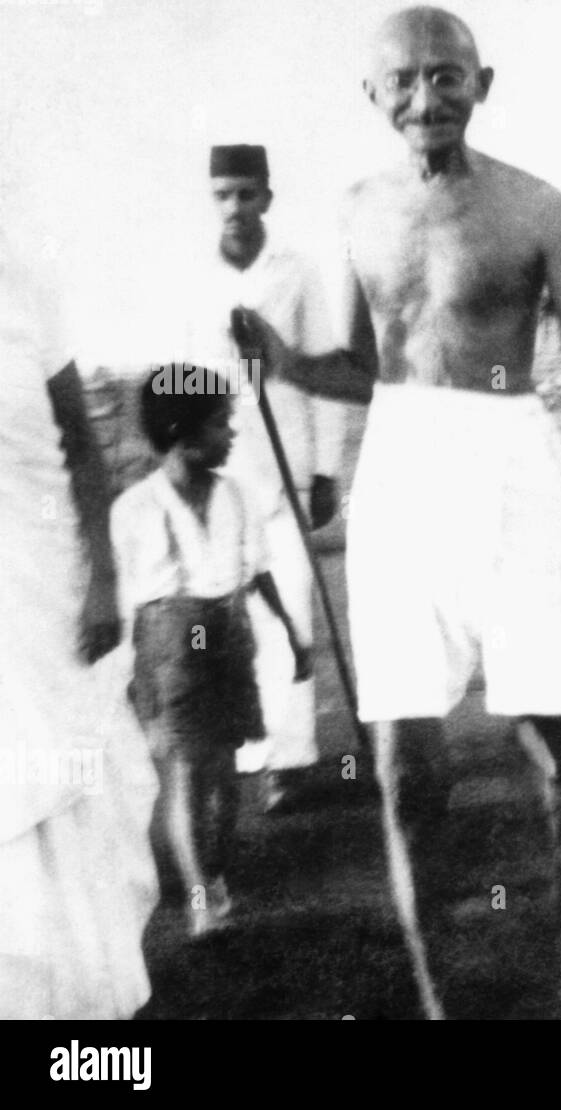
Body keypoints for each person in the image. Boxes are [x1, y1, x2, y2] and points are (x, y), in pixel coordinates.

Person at [251, 6, 561, 1016]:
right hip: (401, 470)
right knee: (402, 760)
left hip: (513, 463)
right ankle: (437, 995)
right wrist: (286, 361)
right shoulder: (354, 209)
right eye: (405, 80)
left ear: (483, 81)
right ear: (371, 95)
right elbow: (361, 367)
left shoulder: (537, 207)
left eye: (446, 76)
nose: (426, 97)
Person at [0, 236, 159, 1018]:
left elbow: (84, 450)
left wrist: (101, 576)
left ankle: (92, 1022)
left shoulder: (23, 277)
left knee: (73, 792)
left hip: (45, 584)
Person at [111, 371, 311, 938]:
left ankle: (216, 873)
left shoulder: (237, 496)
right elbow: (128, 609)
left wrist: (293, 636)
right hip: (168, 648)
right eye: (222, 421)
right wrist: (131, 680)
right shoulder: (135, 508)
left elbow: (260, 571)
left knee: (226, 777)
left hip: (226, 636)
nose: (232, 432)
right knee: (185, 776)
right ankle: (199, 897)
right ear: (183, 430)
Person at [181, 144, 348, 813]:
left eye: (247, 193)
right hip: (223, 472)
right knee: (233, 612)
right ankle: (250, 744)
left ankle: (292, 755)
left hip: (289, 467)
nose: (235, 207)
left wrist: (328, 469)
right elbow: (183, 379)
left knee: (290, 610)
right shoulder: (197, 277)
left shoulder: (298, 270)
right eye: (223, 194)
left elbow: (328, 370)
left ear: (267, 199)